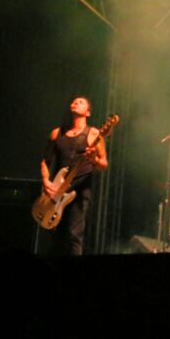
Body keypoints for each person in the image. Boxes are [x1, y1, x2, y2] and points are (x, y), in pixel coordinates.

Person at [40, 96, 108, 256]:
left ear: (88, 112)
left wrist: (94, 159)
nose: (76, 103)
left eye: (81, 102)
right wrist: (45, 181)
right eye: (75, 101)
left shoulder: (94, 134)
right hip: (56, 191)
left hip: (79, 191)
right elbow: (45, 161)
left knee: (74, 235)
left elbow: (104, 164)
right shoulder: (57, 133)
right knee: (55, 236)